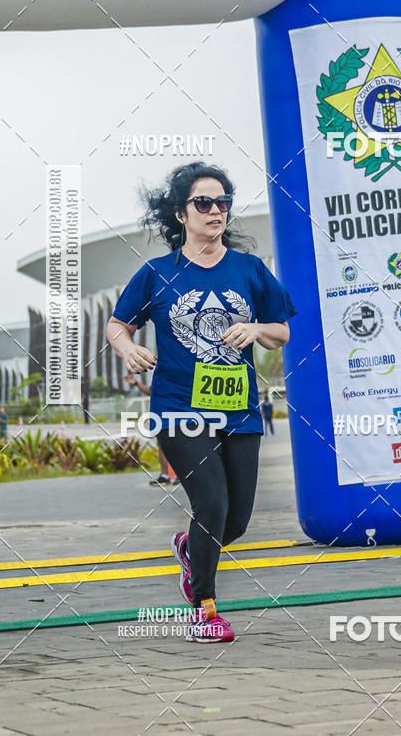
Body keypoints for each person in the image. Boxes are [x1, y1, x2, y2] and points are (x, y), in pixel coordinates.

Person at [106, 163, 296, 643]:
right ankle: (205, 609)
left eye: (223, 203)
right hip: (178, 408)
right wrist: (128, 348)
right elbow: (117, 324)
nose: (216, 211)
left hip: (239, 408)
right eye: (203, 203)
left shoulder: (250, 270)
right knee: (210, 503)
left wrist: (256, 329)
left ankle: (191, 551)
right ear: (181, 213)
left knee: (236, 519)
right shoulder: (157, 274)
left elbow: (282, 331)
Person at [124, 373, 176, 485]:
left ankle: (183, 476)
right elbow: (151, 392)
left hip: (179, 414)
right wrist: (136, 383)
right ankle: (164, 475)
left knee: (181, 447)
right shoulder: (160, 374)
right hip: (162, 415)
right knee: (162, 447)